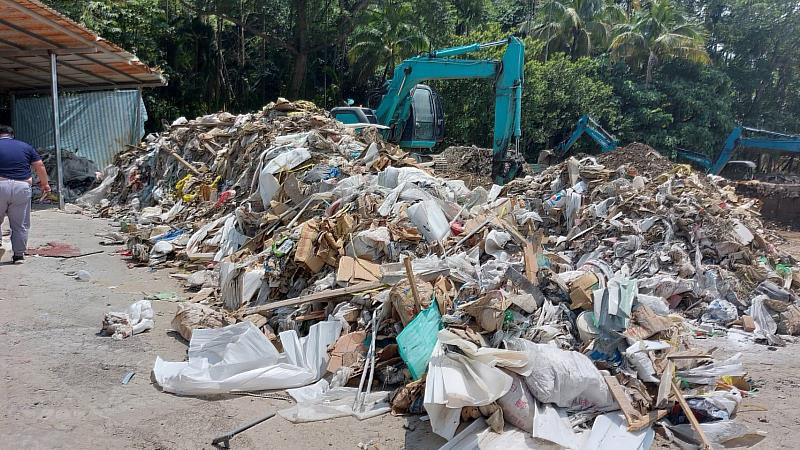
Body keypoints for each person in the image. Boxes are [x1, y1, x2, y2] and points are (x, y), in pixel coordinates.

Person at [0, 125, 51, 263]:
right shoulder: (25, 146)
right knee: (19, 223)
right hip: (21, 187)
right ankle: (18, 255)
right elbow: (39, 165)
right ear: (12, 135)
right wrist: (45, 184)